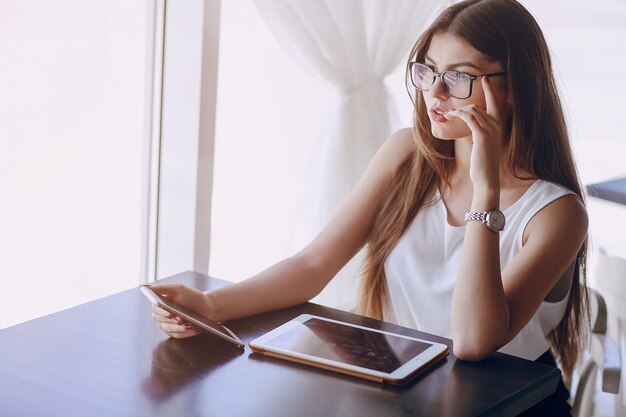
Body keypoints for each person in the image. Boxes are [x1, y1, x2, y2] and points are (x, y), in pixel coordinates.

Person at [150, 0, 588, 414]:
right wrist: (210, 306)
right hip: (407, 391)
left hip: (511, 407)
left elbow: (472, 342)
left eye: (459, 77)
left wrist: (485, 190)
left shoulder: (556, 213)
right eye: (428, 71)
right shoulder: (405, 154)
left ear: (513, 88)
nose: (435, 93)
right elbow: (312, 265)